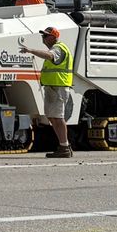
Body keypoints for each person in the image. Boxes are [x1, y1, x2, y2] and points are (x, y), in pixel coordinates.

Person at [24, 25, 74, 158]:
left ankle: (64, 147)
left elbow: (50, 56)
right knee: (53, 117)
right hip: (54, 87)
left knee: (57, 118)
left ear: (53, 37)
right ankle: (65, 146)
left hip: (58, 87)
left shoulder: (58, 48)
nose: (43, 38)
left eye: (45, 35)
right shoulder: (57, 47)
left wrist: (31, 50)